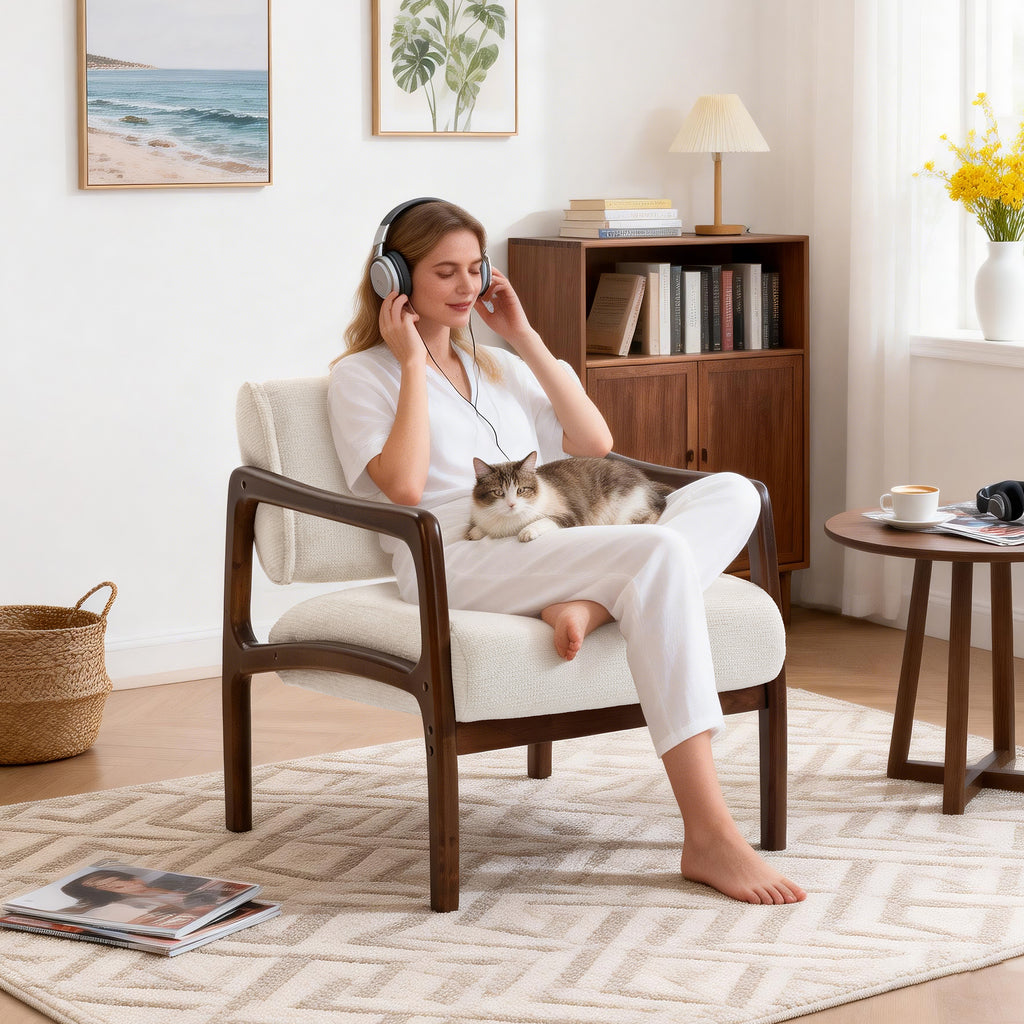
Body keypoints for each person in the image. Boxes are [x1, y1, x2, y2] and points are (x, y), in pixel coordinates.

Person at [327, 199, 806, 906]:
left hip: (547, 539)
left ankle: (586, 601)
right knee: (658, 557)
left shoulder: (495, 366)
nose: (466, 287)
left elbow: (592, 441)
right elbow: (400, 485)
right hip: (454, 559)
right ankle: (708, 833)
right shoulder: (361, 375)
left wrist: (522, 336)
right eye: (444, 272)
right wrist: (410, 366)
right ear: (391, 278)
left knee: (733, 492)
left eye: (475, 269)